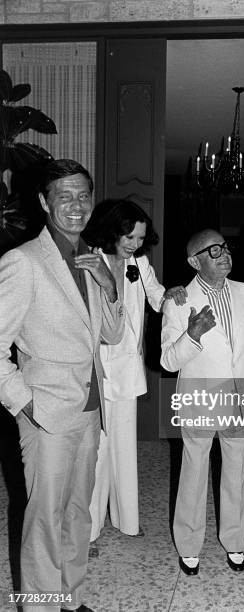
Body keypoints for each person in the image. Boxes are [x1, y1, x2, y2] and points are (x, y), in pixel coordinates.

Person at [0, 159, 124, 612]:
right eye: (64, 196)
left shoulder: (93, 258)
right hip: (47, 413)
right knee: (44, 521)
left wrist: (109, 285)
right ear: (43, 202)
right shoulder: (24, 261)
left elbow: (110, 336)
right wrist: (25, 404)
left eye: (83, 195)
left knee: (78, 513)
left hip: (90, 410)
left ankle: (69, 600)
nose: (76, 205)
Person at [161, 228, 244, 576]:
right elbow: (167, 361)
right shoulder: (178, 301)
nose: (224, 254)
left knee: (237, 472)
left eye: (225, 248)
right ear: (194, 261)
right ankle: (189, 545)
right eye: (213, 251)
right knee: (194, 472)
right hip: (200, 399)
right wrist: (192, 335)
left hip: (242, 398)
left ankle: (235, 541)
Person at [83, 199, 186, 554]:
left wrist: (173, 294)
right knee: (96, 450)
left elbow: (158, 298)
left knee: (124, 445)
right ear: (113, 230)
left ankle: (126, 519)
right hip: (94, 366)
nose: (135, 244)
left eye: (141, 238)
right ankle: (89, 528)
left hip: (127, 367)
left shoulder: (139, 263)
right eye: (130, 236)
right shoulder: (88, 259)